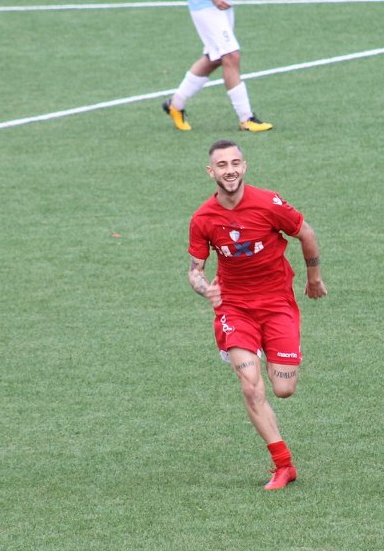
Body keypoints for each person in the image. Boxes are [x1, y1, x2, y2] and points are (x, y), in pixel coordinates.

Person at [187, 139, 327, 490]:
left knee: (283, 389)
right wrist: (204, 288)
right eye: (222, 165)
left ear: (244, 166)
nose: (230, 170)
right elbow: (195, 270)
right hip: (234, 308)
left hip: (277, 303)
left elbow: (306, 233)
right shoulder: (203, 218)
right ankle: (284, 465)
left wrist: (314, 279)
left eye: (235, 163)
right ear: (210, 171)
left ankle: (272, 352)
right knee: (251, 387)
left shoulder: (268, 203)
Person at [161, 0, 273, 132]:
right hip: (207, 5)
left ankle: (175, 104)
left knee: (216, 57)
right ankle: (246, 119)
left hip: (222, 5)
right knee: (230, 55)